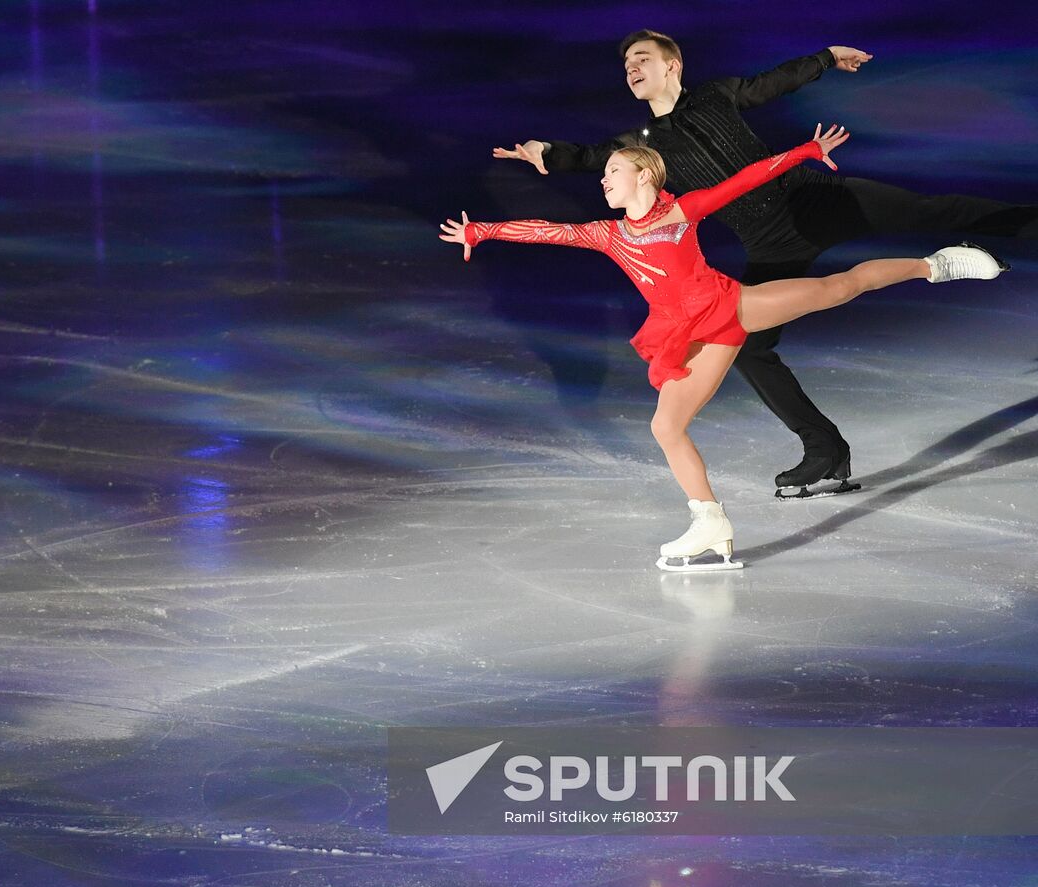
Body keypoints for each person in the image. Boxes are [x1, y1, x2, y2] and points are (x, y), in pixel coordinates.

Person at [494, 30, 1038, 498]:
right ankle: (825, 450)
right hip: (772, 243)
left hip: (817, 199)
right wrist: (548, 152)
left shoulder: (715, 96)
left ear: (672, 65)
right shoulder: (639, 144)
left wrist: (826, 57)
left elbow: (770, 83)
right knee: (750, 346)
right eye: (627, 65)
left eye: (643, 59)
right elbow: (588, 157)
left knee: (933, 210)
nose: (633, 68)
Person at [442, 126, 1007, 570]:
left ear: (644, 175)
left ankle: (937, 264)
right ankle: (709, 521)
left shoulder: (679, 212)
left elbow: (746, 178)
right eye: (604, 174)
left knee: (839, 288)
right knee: (666, 427)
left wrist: (804, 151)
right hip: (686, 333)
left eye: (614, 172)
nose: (604, 181)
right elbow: (545, 231)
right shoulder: (609, 234)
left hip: (729, 308)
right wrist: (481, 231)